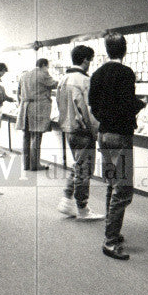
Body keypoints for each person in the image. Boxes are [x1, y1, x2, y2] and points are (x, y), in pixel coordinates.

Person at [88, 32, 146, 260]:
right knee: (123, 189)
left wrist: (105, 117)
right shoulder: (125, 73)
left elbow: (93, 104)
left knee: (112, 183)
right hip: (121, 135)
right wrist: (140, 105)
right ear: (124, 49)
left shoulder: (97, 73)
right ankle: (110, 240)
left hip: (104, 134)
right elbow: (127, 103)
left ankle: (113, 231)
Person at [56, 44, 103, 220]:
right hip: (83, 130)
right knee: (85, 169)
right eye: (90, 59)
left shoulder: (64, 79)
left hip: (68, 128)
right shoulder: (83, 81)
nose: (91, 63)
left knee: (78, 165)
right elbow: (87, 110)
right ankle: (82, 207)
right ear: (85, 60)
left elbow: (59, 103)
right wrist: (96, 132)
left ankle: (66, 200)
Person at [16, 57, 58, 171]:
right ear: (44, 65)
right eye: (47, 67)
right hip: (38, 108)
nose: (47, 69)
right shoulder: (42, 74)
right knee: (36, 136)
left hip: (25, 108)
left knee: (26, 136)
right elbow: (55, 84)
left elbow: (18, 92)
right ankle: (35, 165)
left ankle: (26, 164)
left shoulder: (24, 75)